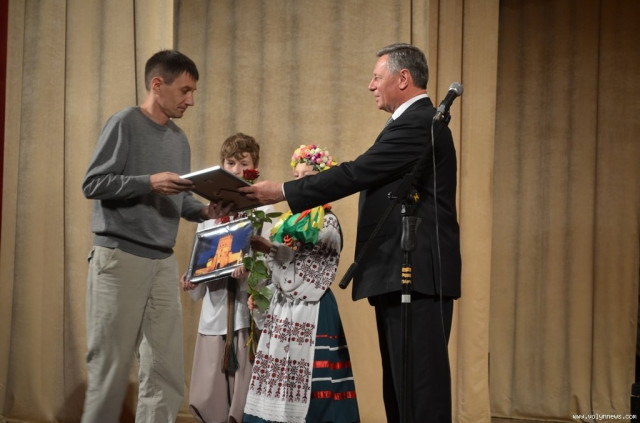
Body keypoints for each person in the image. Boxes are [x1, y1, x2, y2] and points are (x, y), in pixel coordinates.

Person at [239, 43, 461, 422]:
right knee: (401, 394)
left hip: (416, 276)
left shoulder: (421, 122)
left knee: (420, 396)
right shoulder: (409, 123)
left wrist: (283, 191)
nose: (370, 85)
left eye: (376, 77)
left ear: (403, 78)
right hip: (396, 275)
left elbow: (356, 172)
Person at [81, 50, 216, 423]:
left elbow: (180, 201)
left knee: (164, 369)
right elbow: (93, 183)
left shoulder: (179, 140)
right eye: (185, 90)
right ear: (158, 84)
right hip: (119, 258)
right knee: (109, 367)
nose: (191, 100)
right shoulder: (124, 122)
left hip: (162, 262)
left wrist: (206, 211)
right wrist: (149, 182)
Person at [243, 144, 360, 423]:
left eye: (307, 177)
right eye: (296, 177)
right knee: (278, 383)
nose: (299, 183)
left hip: (311, 311)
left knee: (314, 385)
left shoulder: (327, 224)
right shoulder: (287, 222)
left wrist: (271, 249)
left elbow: (307, 280)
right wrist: (263, 293)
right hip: (283, 313)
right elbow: (278, 274)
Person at [180, 132, 274, 423]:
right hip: (217, 308)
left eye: (243, 164)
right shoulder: (211, 214)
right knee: (207, 392)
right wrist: (192, 278)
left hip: (245, 310)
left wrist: (250, 267)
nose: (236, 170)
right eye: (230, 163)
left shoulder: (263, 209)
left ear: (254, 168)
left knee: (244, 389)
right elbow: (202, 258)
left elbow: (270, 259)